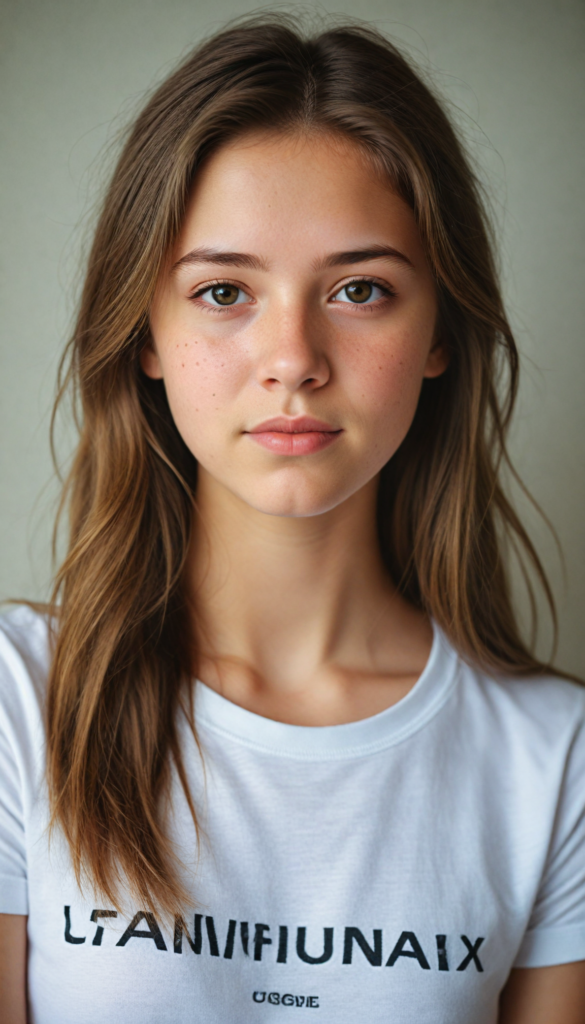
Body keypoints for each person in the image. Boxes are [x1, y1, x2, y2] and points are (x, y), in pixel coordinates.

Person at [0, 16, 584, 1023]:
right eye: (224, 290)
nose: (293, 357)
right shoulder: (21, 707)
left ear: (440, 329)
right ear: (145, 334)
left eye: (360, 290)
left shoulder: (556, 760)